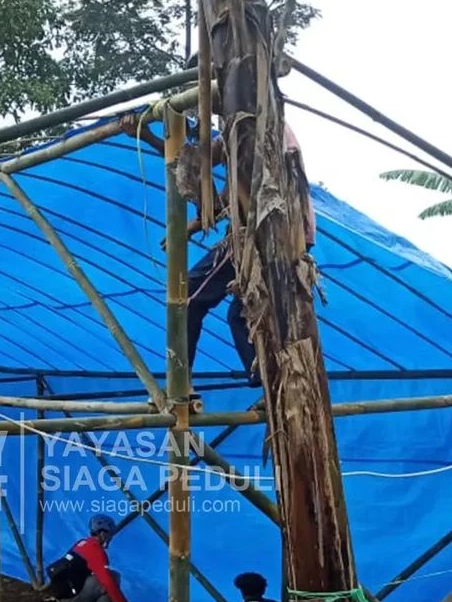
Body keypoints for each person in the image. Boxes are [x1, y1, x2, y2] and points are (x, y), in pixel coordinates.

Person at [123, 95, 314, 388]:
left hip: (261, 236)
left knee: (189, 297)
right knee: (242, 316)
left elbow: (224, 186)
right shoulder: (243, 129)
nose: (204, 108)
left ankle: (180, 383)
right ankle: (271, 382)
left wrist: (148, 134)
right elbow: (207, 176)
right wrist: (146, 135)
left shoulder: (250, 127)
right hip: (285, 237)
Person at [45, 515, 138, 602]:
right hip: (70, 596)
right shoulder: (96, 550)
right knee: (113, 577)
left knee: (100, 578)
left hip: (63, 592)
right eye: (109, 534)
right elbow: (108, 582)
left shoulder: (83, 543)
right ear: (103, 533)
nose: (110, 537)